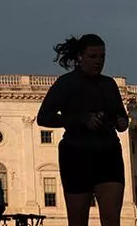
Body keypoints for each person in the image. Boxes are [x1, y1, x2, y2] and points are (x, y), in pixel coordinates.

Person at [37, 34, 129, 226]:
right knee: (78, 221)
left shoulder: (109, 84)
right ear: (80, 56)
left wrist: (122, 122)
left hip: (108, 152)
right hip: (76, 154)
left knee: (112, 219)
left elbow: (121, 115)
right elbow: (43, 117)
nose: (99, 62)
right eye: (93, 57)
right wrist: (80, 120)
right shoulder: (66, 83)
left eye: (102, 57)